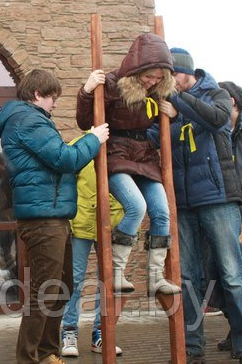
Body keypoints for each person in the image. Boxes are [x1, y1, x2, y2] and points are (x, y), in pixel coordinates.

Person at [0, 68, 108, 364]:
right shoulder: (28, 119)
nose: (55, 104)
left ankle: (46, 353)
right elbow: (65, 158)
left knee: (61, 288)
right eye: (52, 98)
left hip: (54, 216)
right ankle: (30, 358)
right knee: (44, 292)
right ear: (37, 95)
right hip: (43, 219)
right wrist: (93, 139)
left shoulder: (28, 119)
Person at [155, 48, 242, 364]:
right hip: (184, 205)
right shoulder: (167, 101)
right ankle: (192, 346)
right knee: (186, 278)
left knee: (233, 276)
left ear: (184, 72)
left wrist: (177, 103)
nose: (167, 82)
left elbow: (216, 120)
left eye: (171, 76)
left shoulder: (217, 94)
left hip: (220, 200)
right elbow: (151, 137)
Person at [76, 33, 180, 296]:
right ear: (137, 69)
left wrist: (173, 116)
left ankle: (156, 277)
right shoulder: (112, 83)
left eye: (158, 78)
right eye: (149, 76)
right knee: (136, 206)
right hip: (116, 153)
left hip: (144, 155)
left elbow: (161, 131)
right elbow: (84, 120)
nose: (153, 81)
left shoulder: (157, 93)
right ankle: (117, 272)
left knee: (162, 212)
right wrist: (87, 91)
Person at [60, 158, 124, 357]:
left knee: (107, 281)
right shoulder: (81, 145)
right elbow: (66, 183)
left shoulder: (119, 144)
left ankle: (102, 333)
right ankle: (69, 332)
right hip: (82, 222)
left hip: (111, 222)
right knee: (75, 279)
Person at [214, 81, 242, 356]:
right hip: (229, 212)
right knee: (226, 278)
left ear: (230, 101)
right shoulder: (224, 131)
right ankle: (241, 330)